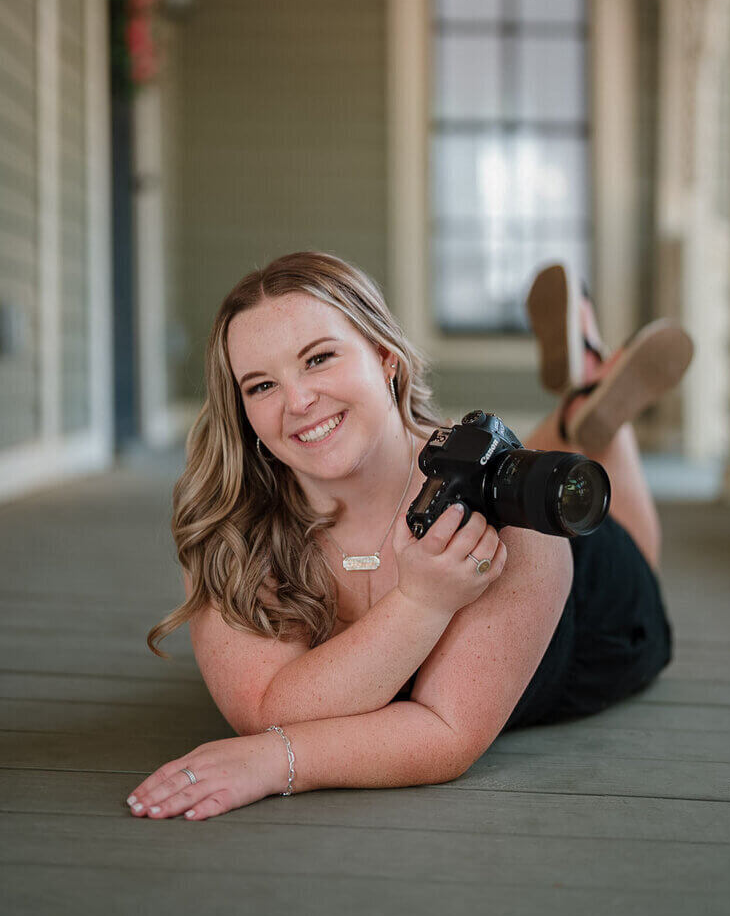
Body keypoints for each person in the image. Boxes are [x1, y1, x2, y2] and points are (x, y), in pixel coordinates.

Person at [125, 252, 693, 822]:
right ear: (241, 410)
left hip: (593, 613)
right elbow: (266, 707)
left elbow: (446, 733)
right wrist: (423, 602)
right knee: (548, 457)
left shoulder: (509, 512)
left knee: (610, 531)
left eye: (318, 358)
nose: (297, 403)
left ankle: (591, 416)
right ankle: (579, 404)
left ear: (384, 357)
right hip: (493, 491)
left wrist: (277, 761)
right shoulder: (229, 522)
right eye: (262, 385)